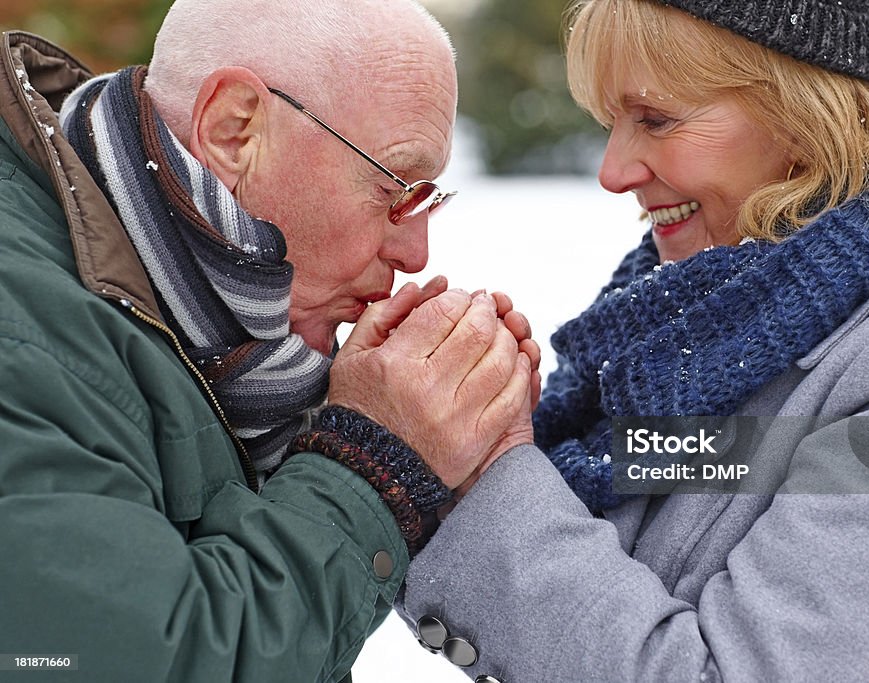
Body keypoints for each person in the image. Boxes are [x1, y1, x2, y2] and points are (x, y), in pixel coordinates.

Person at [357, 0, 869, 680]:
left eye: (655, 119)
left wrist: (490, 473)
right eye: (610, 123)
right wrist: (439, 436)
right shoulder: (700, 327)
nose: (613, 171)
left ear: (797, 111)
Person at [0, 0, 535, 680]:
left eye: (431, 202)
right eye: (395, 189)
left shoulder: (220, 332)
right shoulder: (22, 330)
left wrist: (442, 449)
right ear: (234, 130)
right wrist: (367, 469)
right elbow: (121, 661)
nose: (415, 251)